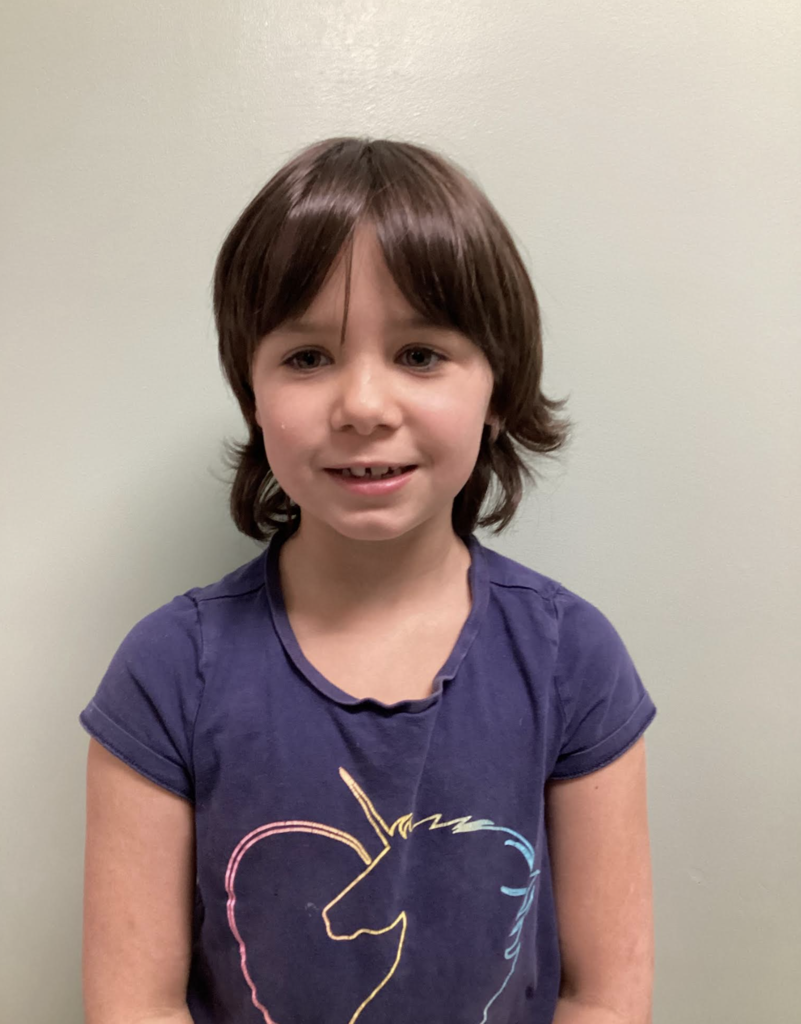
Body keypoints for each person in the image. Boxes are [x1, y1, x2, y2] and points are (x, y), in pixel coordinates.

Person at [80, 136, 657, 1024]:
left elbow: (604, 996)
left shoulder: (570, 658)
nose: (362, 405)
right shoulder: (168, 670)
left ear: (496, 388)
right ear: (252, 392)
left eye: (421, 353)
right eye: (307, 357)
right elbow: (134, 1004)